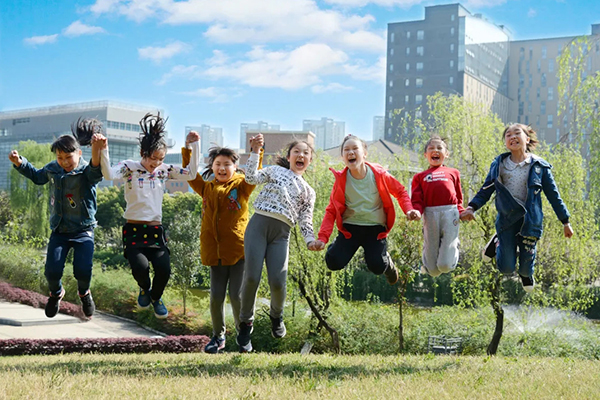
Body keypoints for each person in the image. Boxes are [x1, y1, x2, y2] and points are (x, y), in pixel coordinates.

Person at [95, 113, 200, 318]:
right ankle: (144, 288)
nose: (156, 163)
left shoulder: (163, 171)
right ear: (143, 152)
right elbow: (108, 174)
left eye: (160, 159)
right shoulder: (129, 168)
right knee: (140, 267)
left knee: (164, 269)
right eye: (153, 158)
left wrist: (193, 146)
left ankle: (155, 296)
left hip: (155, 230)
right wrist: (103, 149)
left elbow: (192, 174)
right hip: (133, 230)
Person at [8, 118, 104, 318]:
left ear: (79, 153)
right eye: (60, 158)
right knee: (52, 271)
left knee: (83, 271)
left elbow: (96, 171)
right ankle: (56, 293)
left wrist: (97, 149)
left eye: (68, 157)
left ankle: (84, 293)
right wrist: (20, 162)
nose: (64, 162)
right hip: (60, 230)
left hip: (83, 230)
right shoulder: (53, 168)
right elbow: (37, 176)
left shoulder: (86, 172)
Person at [460, 123, 574, 292]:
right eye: (508, 135)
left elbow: (553, 196)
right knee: (506, 268)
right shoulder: (499, 165)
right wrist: (471, 208)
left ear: (527, 139)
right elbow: (486, 190)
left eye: (517, 133)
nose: (512, 137)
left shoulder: (539, 167)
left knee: (526, 268)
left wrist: (565, 221)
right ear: (506, 142)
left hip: (530, 221)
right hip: (507, 219)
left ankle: (527, 273)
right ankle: (497, 240)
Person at [181, 133, 263, 354]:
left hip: (238, 251)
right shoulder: (206, 187)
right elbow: (190, 174)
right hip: (215, 252)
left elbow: (253, 175)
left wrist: (256, 151)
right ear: (213, 167)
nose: (222, 168)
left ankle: (242, 335)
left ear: (235, 167)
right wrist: (189, 147)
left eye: (227, 164)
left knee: (236, 296)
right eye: (218, 164)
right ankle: (217, 337)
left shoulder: (242, 186)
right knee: (216, 297)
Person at [236, 134, 318, 353]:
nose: (301, 155)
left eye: (306, 153)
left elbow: (305, 220)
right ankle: (245, 324)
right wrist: (255, 151)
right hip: (258, 226)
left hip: (281, 234)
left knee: (278, 282)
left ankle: (276, 315)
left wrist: (310, 240)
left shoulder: (309, 191)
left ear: (310, 160)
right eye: (297, 151)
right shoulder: (275, 171)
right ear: (289, 156)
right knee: (252, 277)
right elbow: (251, 178)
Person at [312, 135, 421, 285]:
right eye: (346, 150)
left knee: (377, 266)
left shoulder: (379, 174)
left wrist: (408, 210)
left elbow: (400, 192)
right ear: (342, 157)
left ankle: (387, 262)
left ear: (364, 153)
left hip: (375, 229)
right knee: (333, 262)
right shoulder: (341, 180)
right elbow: (331, 210)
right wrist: (322, 238)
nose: (351, 152)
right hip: (351, 228)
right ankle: (337, 247)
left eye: (355, 148)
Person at [411, 135, 465, 276]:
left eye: (440, 148)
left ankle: (454, 246)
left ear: (446, 154)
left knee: (445, 266)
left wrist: (462, 212)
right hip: (430, 214)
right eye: (431, 148)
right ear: (425, 155)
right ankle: (427, 264)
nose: (435, 150)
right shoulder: (419, 177)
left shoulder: (453, 173)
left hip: (450, 213)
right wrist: (416, 211)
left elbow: (459, 197)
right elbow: (417, 200)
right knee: (433, 271)